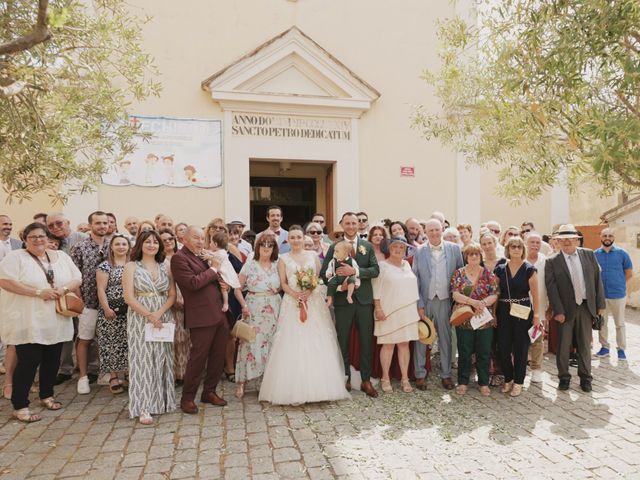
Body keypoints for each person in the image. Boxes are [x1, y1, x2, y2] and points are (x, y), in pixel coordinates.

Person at [0, 222, 81, 422]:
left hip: (56, 319)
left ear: (48, 238)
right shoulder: (15, 257)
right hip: (28, 319)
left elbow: (77, 277)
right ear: (25, 239)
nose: (38, 240)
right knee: (28, 362)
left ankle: (46, 395)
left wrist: (62, 290)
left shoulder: (60, 257)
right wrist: (38, 292)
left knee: (52, 360)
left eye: (41, 236)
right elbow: (5, 281)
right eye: (33, 237)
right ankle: (20, 405)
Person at [259, 225, 350, 405]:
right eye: (292, 237)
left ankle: (321, 388)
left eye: (298, 237)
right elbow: (283, 283)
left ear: (303, 238)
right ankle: (291, 389)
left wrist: (309, 291)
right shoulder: (283, 259)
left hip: (313, 302)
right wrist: (294, 294)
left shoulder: (313, 256)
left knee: (316, 340)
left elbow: (319, 278)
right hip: (292, 303)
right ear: (288, 240)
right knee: (292, 341)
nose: (295, 240)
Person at [321, 213, 380, 397]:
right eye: (348, 223)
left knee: (366, 340)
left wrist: (355, 271)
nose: (352, 226)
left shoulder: (367, 246)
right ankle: (344, 378)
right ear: (342, 225)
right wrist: (340, 285)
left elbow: (375, 270)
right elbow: (324, 275)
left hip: (363, 301)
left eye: (355, 223)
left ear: (359, 225)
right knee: (343, 339)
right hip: (342, 302)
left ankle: (366, 380)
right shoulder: (333, 248)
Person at [171, 226, 228, 414]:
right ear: (185, 239)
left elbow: (215, 277)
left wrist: (215, 267)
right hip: (201, 315)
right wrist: (213, 268)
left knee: (218, 356)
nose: (200, 241)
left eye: (202, 238)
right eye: (196, 237)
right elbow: (193, 284)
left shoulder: (202, 255)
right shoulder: (179, 258)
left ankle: (209, 392)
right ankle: (187, 398)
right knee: (198, 358)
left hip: (218, 312)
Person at [123, 230, 176, 424]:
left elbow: (172, 294)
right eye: (148, 242)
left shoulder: (166, 265)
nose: (152, 245)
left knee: (162, 358)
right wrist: (149, 315)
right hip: (140, 316)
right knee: (142, 361)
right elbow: (128, 297)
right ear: (140, 244)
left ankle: (161, 402)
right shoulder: (131, 266)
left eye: (155, 242)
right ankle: (143, 406)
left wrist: (159, 314)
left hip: (163, 315)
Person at [546, 224, 606, 392]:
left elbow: (597, 280)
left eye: (570, 238)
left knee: (585, 345)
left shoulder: (589, 254)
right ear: (557, 241)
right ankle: (564, 377)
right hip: (564, 311)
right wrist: (558, 311)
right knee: (563, 346)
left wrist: (600, 304)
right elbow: (552, 288)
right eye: (562, 239)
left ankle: (586, 378)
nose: (566, 241)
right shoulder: (552, 261)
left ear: (576, 240)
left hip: (586, 307)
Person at [412, 219, 464, 390]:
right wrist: (418, 303)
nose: (434, 233)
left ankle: (446, 374)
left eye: (437, 229)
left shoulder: (454, 249)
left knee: (445, 337)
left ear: (442, 230)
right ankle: (420, 374)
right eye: (430, 230)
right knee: (422, 336)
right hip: (426, 299)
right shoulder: (419, 251)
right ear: (425, 232)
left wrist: (457, 300)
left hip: (445, 300)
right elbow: (415, 278)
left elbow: (460, 276)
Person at [234, 233, 281, 399]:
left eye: (270, 245)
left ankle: (265, 382)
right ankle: (242, 382)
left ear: (274, 248)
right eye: (263, 244)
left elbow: (286, 283)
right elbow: (237, 288)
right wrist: (244, 306)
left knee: (270, 343)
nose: (266, 247)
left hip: (274, 308)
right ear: (257, 246)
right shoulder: (250, 263)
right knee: (249, 343)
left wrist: (278, 289)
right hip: (253, 307)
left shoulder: (278, 263)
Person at [70, 211, 110, 395]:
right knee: (85, 340)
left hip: (111, 303)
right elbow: (74, 275)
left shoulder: (113, 245)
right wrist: (80, 300)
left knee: (108, 340)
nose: (102, 226)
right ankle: (83, 377)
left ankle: (106, 373)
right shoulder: (80, 247)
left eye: (105, 223)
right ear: (90, 225)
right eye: (98, 223)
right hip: (89, 302)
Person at [372, 236, 419, 393]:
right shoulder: (382, 266)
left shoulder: (407, 265)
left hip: (407, 311)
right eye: (395, 247)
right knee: (388, 345)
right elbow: (376, 290)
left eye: (401, 247)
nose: (398, 249)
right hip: (387, 311)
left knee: (404, 344)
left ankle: (405, 379)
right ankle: (385, 378)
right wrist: (378, 309)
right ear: (389, 249)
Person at [450, 244, 499, 396]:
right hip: (465, 317)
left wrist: (482, 303)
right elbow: (455, 294)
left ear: (480, 256)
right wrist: (473, 302)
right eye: (470, 254)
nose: (473, 257)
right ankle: (463, 382)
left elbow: (495, 294)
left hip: (483, 318)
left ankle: (483, 382)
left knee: (483, 351)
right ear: (466, 256)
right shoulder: (458, 273)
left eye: (476, 254)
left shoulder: (488, 274)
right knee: (464, 352)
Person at [494, 236, 539, 397]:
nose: (516, 249)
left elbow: (535, 294)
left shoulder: (529, 269)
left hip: (523, 309)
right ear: (508, 249)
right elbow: (495, 292)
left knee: (521, 347)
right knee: (504, 346)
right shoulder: (500, 268)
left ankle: (519, 382)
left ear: (523, 249)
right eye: (513, 246)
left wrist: (537, 315)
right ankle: (508, 378)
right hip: (504, 309)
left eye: (519, 247)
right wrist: (493, 313)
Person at [96, 233, 130, 394]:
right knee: (111, 343)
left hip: (130, 310)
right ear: (112, 247)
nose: (121, 247)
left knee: (129, 341)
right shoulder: (105, 265)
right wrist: (106, 308)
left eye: (124, 244)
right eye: (117, 244)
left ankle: (130, 373)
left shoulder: (133, 264)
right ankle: (114, 376)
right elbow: (101, 289)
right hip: (112, 311)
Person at [594, 228, 633, 360]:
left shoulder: (622, 253)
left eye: (610, 235)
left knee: (619, 323)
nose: (607, 237)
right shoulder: (595, 254)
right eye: (605, 235)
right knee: (602, 322)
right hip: (601, 295)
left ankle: (621, 349)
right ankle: (604, 347)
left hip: (618, 294)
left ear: (613, 238)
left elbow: (629, 272)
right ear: (600, 237)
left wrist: (620, 283)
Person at [159, 229, 188, 386]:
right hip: (169, 302)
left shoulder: (182, 256)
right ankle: (174, 374)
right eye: (164, 240)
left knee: (186, 338)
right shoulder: (160, 261)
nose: (169, 241)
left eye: (171, 238)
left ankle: (185, 372)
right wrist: (173, 299)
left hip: (188, 300)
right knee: (174, 339)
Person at [525, 232, 548, 383]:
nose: (535, 245)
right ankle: (521, 367)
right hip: (521, 306)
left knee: (537, 339)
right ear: (526, 244)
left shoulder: (545, 261)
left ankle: (536, 369)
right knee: (521, 339)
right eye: (532, 242)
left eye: (537, 242)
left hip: (540, 307)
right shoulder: (519, 260)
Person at [325, 240, 360, 306]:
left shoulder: (351, 261)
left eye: (337, 251)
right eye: (335, 251)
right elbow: (330, 268)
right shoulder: (333, 261)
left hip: (347, 278)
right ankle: (330, 298)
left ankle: (349, 295)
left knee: (352, 280)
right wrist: (328, 273)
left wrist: (357, 282)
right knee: (331, 283)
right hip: (337, 277)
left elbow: (356, 270)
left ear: (345, 253)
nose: (334, 253)